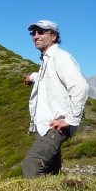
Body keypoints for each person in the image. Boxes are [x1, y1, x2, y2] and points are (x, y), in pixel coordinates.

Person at [22, 20, 89, 178]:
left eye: (41, 32)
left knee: (32, 164)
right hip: (49, 124)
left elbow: (80, 87)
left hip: (54, 126)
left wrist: (71, 120)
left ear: (53, 36)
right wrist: (31, 77)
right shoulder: (48, 59)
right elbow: (47, 78)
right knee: (51, 169)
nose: (36, 36)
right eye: (34, 33)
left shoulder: (60, 57)